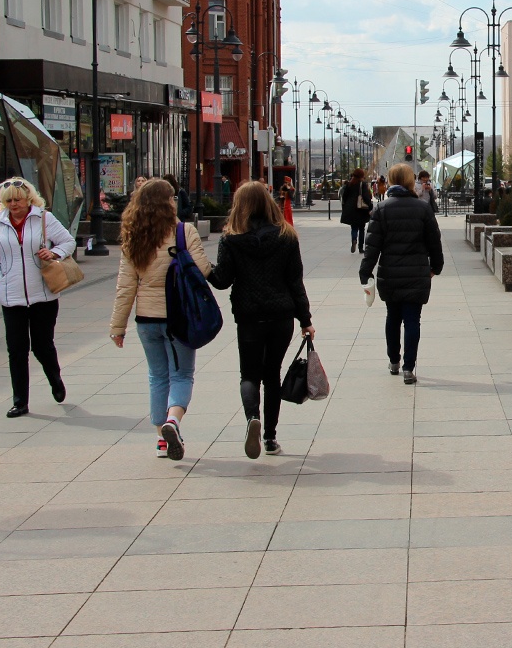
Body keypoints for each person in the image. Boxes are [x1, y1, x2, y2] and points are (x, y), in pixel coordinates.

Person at [210, 181, 315, 458]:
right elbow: (296, 282)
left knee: (249, 374)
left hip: (249, 315)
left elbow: (222, 280)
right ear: (269, 202)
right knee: (272, 375)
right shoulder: (286, 236)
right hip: (281, 316)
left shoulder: (231, 239)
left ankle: (252, 419)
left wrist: (204, 267)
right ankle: (270, 438)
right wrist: (305, 320)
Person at [109, 178, 212, 461]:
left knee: (157, 376)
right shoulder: (183, 231)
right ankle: (173, 421)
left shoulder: (133, 235)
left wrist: (118, 326)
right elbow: (203, 270)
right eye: (173, 198)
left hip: (146, 318)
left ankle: (161, 441)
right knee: (181, 374)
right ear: (168, 202)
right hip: (179, 316)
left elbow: (125, 286)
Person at [0, 177, 75, 418]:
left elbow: (68, 241)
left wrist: (54, 252)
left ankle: (55, 379)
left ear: (28, 199)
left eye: (17, 199)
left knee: (42, 346)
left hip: (42, 294)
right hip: (10, 295)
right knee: (16, 349)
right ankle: (20, 401)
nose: (14, 204)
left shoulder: (43, 218)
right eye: (8, 200)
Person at [361, 163, 444, 385]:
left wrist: (365, 271)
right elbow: (434, 242)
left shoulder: (382, 209)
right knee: (412, 320)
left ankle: (394, 361)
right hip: (417, 273)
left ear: (390, 181)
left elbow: (372, 246)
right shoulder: (422, 209)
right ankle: (409, 368)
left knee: (393, 317)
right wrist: (436, 266)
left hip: (390, 274)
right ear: (410, 182)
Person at [339, 168, 373, 253]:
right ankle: (361, 248)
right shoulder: (363, 184)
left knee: (354, 227)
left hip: (351, 209)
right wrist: (370, 205)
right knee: (362, 229)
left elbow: (344, 196)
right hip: (361, 209)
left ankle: (354, 239)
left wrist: (345, 206)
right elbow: (365, 197)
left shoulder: (349, 184)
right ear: (361, 176)